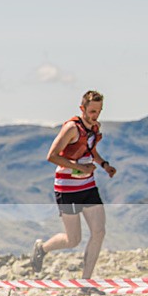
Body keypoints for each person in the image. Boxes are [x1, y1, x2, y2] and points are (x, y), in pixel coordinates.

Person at [31, 90, 117, 279]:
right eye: (92, 111)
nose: (96, 115)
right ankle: (43, 248)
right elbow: (51, 156)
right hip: (67, 188)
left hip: (88, 186)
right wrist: (78, 166)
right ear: (82, 108)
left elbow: (90, 150)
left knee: (99, 231)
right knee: (73, 239)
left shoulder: (95, 127)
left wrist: (104, 165)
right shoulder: (71, 128)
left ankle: (86, 281)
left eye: (99, 111)